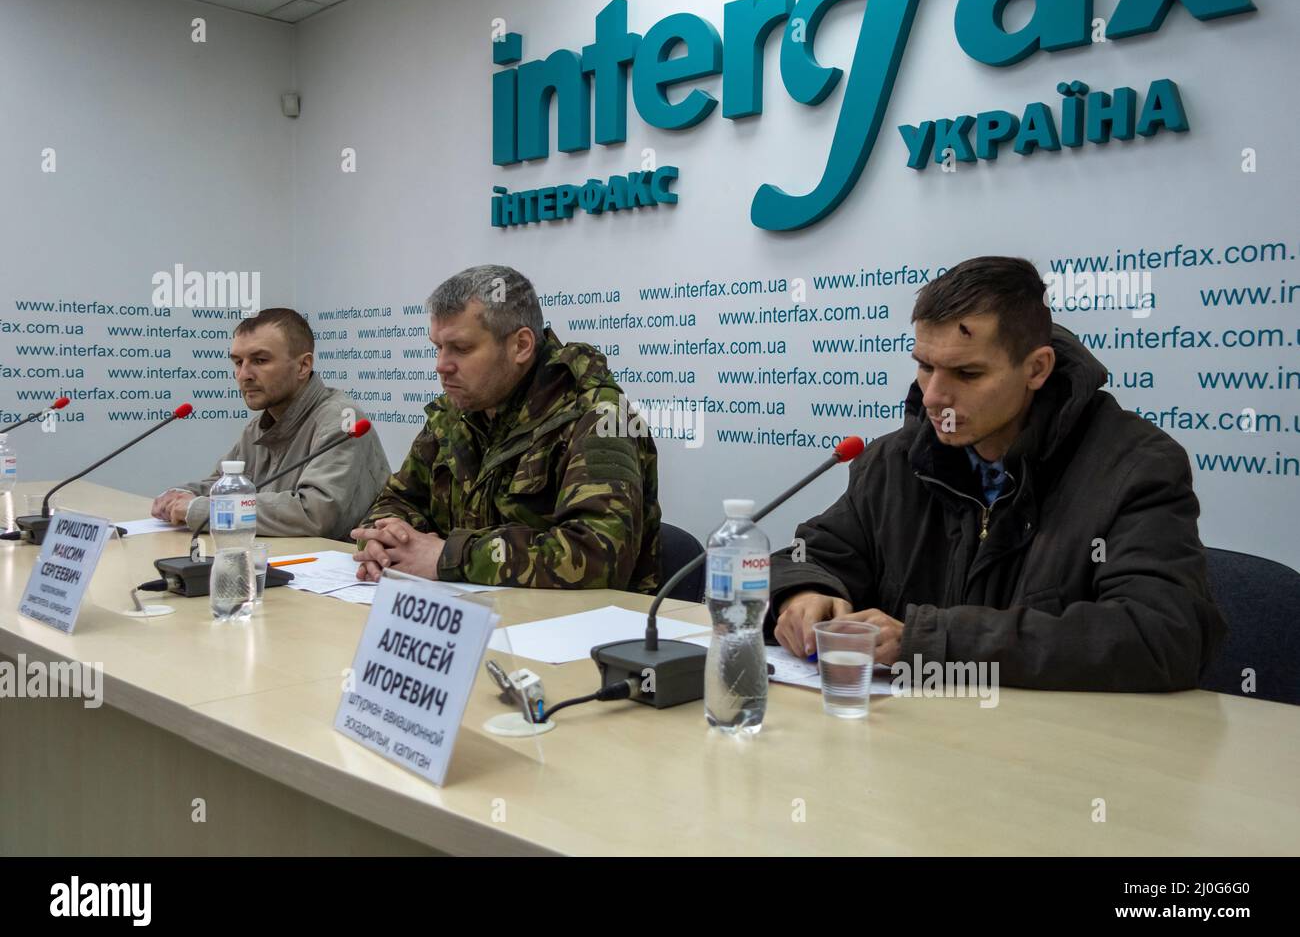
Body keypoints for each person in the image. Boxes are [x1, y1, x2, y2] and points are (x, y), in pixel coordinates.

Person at [769, 256, 1225, 691]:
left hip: (1059, 751)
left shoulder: (1134, 467)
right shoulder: (896, 460)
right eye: (925, 367)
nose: (932, 397)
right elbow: (812, 556)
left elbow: (1162, 634)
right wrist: (803, 593)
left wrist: (929, 643)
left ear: (1036, 369)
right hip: (907, 740)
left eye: (967, 373)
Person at [352, 265, 661, 590]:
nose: (441, 365)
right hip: (472, 614)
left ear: (521, 346)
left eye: (461, 348)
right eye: (438, 347)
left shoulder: (596, 414)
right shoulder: (453, 411)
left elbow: (597, 554)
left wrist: (449, 556)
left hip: (579, 628)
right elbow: (397, 499)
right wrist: (386, 543)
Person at [151, 308, 389, 541]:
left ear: (303, 366)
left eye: (260, 360)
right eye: (237, 362)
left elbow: (314, 512)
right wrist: (180, 495)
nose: (244, 374)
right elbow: (222, 484)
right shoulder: (261, 423)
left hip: (340, 571)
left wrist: (201, 510)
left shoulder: (341, 419)